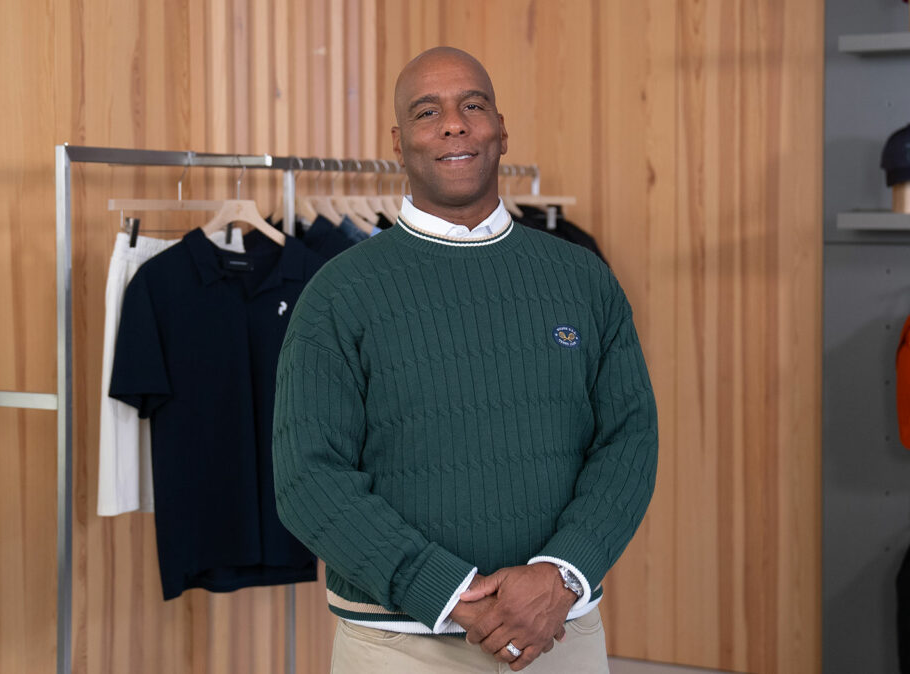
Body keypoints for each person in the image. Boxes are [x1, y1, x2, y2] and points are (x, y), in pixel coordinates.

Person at [272, 46, 658, 673]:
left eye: (472, 106)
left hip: (558, 632)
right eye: (429, 112)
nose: (454, 124)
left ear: (501, 130)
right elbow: (307, 479)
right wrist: (448, 594)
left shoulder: (583, 280)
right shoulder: (338, 294)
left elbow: (628, 440)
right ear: (399, 142)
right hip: (399, 645)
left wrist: (561, 575)